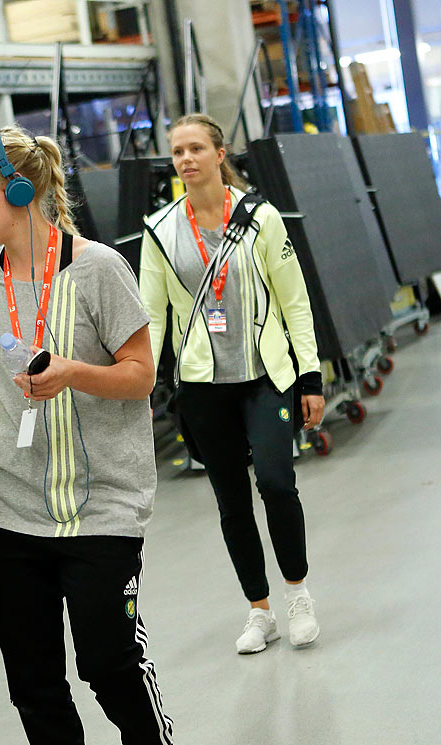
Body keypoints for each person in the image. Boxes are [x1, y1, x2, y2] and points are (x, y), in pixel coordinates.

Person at [0, 125, 185, 745]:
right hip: (4, 510)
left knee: (107, 659)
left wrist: (76, 372)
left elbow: (142, 374)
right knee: (33, 681)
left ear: (17, 192)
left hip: (100, 507)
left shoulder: (100, 270)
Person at [136, 113, 323, 658]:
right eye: (177, 151)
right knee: (231, 501)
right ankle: (259, 610)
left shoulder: (260, 218)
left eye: (196, 148)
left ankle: (297, 594)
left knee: (276, 482)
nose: (186, 159)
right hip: (202, 386)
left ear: (220, 155)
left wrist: (309, 376)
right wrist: (144, 384)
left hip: (265, 378)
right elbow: (152, 316)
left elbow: (294, 300)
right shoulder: (160, 230)